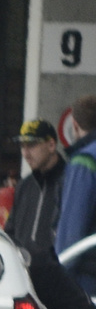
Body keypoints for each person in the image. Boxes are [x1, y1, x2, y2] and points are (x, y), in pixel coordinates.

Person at [55, 94, 96, 295]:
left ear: (75, 124)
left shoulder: (85, 160)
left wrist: (59, 277)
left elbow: (72, 228)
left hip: (88, 279)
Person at [6, 120, 64, 256]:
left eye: (32, 145)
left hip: (57, 273)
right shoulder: (24, 186)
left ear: (51, 145)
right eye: (22, 146)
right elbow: (11, 231)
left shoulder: (68, 183)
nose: (25, 153)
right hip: (23, 271)